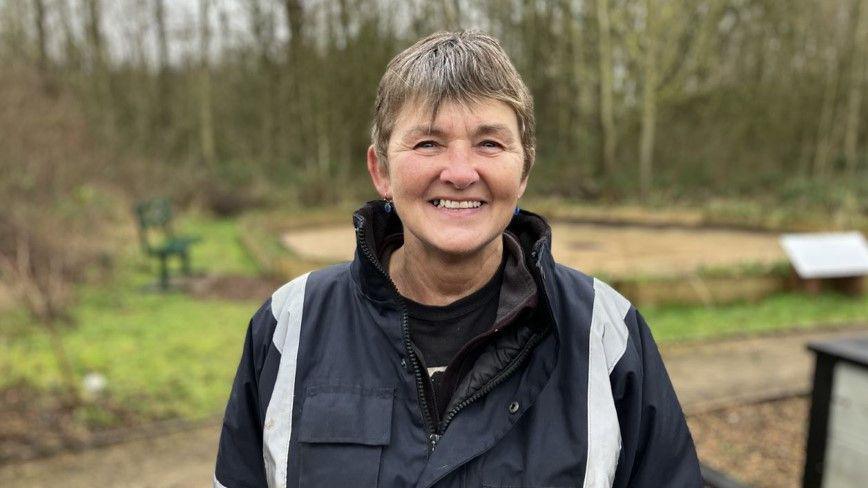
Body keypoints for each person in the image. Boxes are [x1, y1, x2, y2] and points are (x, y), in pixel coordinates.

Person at [214, 31, 702, 488]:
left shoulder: (606, 333)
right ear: (380, 170)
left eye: (489, 143)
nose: (460, 172)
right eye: (428, 143)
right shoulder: (289, 327)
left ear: (524, 168)